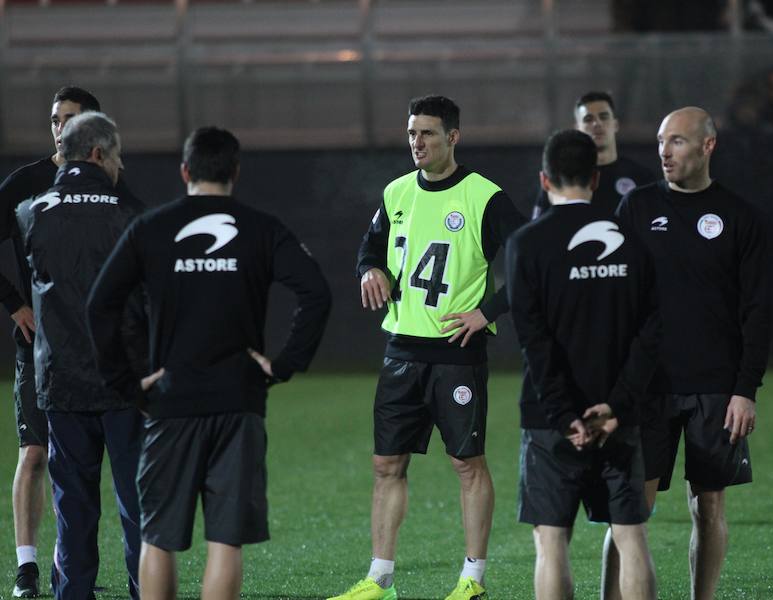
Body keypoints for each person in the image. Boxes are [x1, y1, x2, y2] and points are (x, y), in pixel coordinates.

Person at [86, 126, 332, 600]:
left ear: (185, 171)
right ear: (235, 172)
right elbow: (316, 293)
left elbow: (100, 306)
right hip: (238, 401)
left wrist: (127, 384)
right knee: (225, 539)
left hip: (169, 401)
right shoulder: (262, 228)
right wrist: (283, 364)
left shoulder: (151, 227)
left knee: (157, 539)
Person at [331, 95, 525, 600]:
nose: (417, 142)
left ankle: (473, 578)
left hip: (457, 352)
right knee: (387, 464)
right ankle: (380, 579)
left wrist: (488, 312)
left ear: (453, 137)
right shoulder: (396, 192)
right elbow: (370, 247)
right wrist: (368, 269)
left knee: (467, 463)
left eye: (429, 134)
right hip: (401, 350)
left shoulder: (485, 197)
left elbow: (531, 260)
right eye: (412, 133)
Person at [612, 107, 769, 600]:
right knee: (629, 510)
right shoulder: (635, 209)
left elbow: (757, 313)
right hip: (647, 387)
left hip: (716, 388)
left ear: (707, 146)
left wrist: (745, 390)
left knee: (709, 505)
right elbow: (612, 299)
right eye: (661, 141)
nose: (664, 151)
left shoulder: (740, 215)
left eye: (677, 141)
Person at [506, 129, 659, 600]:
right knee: (630, 535)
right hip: (619, 418)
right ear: (596, 178)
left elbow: (535, 342)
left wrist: (563, 414)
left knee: (551, 541)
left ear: (544, 179)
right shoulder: (633, 240)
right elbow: (649, 336)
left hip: (553, 422)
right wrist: (616, 406)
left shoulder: (526, 244)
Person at [0, 85, 134, 598]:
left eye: (71, 119)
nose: (61, 127)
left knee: (71, 484)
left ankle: (70, 583)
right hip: (50, 351)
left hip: (72, 363)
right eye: (56, 118)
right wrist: (14, 302)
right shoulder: (28, 186)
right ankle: (27, 567)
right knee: (36, 457)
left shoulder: (57, 201)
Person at [532, 91, 653, 219]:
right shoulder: (561, 177)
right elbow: (539, 226)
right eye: (588, 119)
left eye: (604, 116)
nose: (597, 124)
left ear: (615, 124)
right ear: (578, 128)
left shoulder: (641, 177)